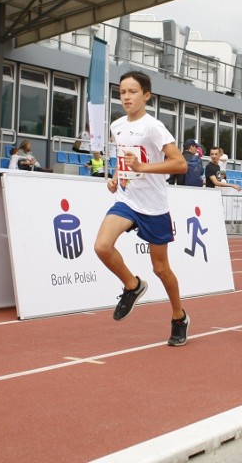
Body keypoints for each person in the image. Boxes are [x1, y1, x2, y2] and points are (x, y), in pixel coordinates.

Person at [93, 71, 191, 346]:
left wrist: (142, 168)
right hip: (127, 200)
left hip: (154, 207)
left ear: (146, 95)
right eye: (122, 92)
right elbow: (124, 159)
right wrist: (116, 177)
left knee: (161, 268)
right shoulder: (117, 126)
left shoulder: (154, 127)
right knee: (102, 246)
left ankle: (178, 316)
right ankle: (132, 285)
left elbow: (180, 164)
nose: (126, 97)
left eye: (132, 91)